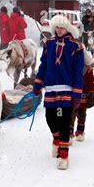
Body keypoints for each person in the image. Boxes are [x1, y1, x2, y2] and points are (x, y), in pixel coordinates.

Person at [34, 15, 84, 170]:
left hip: (67, 89)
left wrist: (77, 93)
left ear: (67, 28)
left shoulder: (76, 46)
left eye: (62, 27)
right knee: (50, 118)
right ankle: (56, 140)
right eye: (56, 27)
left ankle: (63, 155)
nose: (59, 30)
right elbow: (43, 64)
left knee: (63, 122)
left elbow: (78, 70)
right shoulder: (48, 43)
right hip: (50, 88)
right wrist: (38, 81)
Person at [70, 49, 94, 143]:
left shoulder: (88, 69)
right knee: (70, 115)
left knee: (82, 115)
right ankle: (69, 134)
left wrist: (91, 93)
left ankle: (80, 132)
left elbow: (91, 82)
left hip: (84, 96)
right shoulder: (69, 67)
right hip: (72, 95)